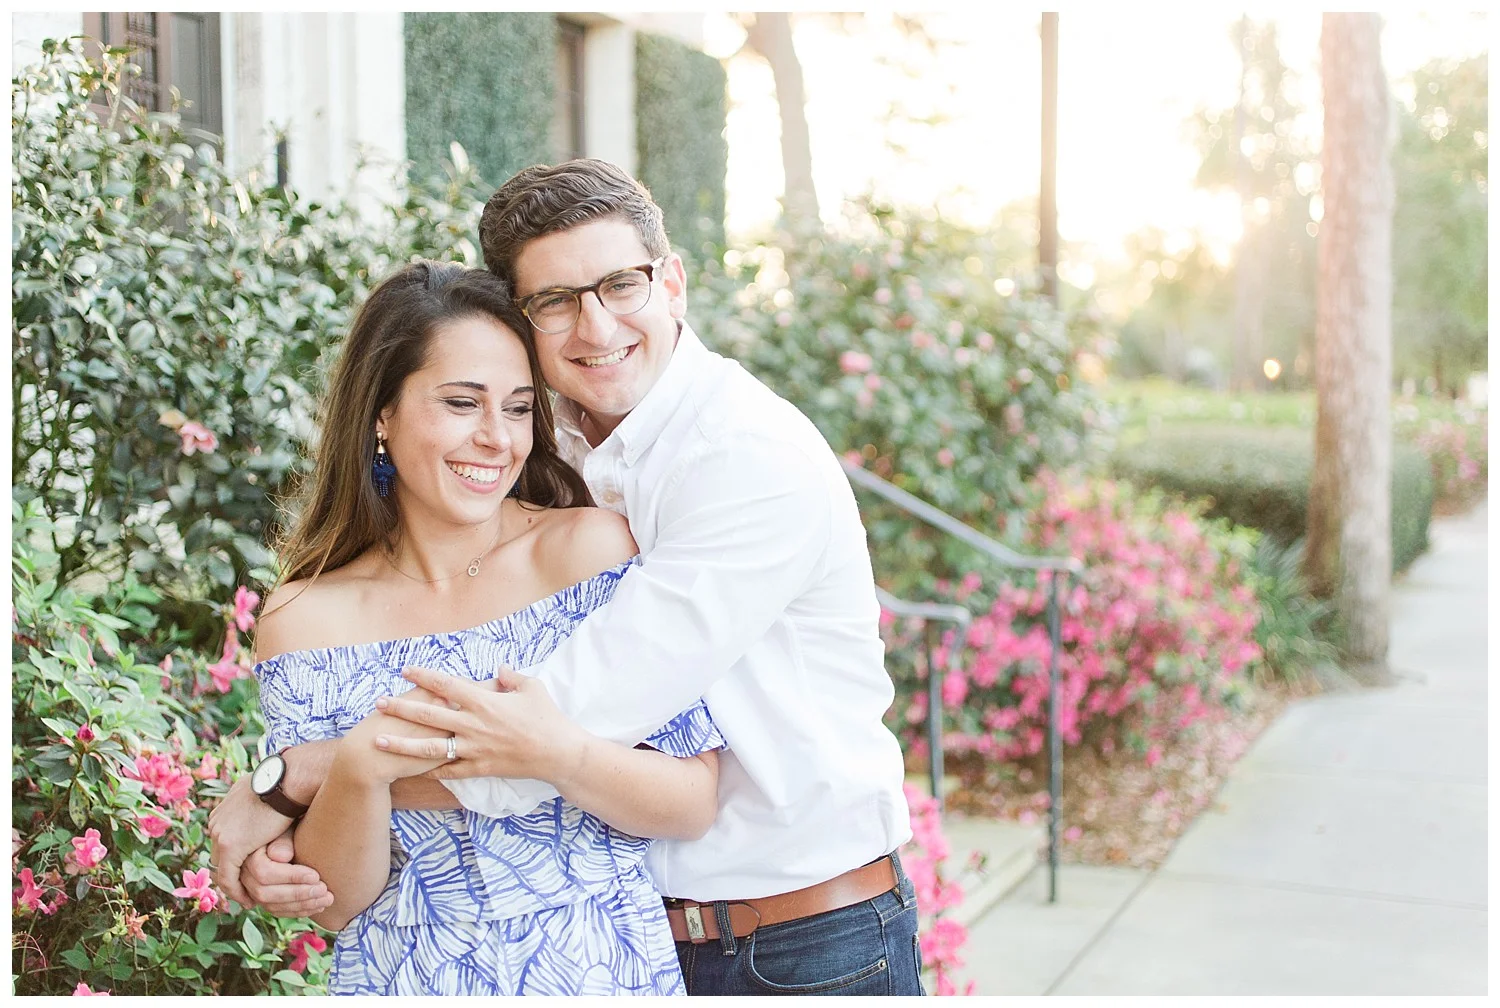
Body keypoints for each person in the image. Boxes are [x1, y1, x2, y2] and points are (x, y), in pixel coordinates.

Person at [213, 160, 923, 996]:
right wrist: (318, 813)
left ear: (674, 284)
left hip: (801, 936)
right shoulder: (584, 452)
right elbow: (345, 888)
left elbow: (562, 720)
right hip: (662, 943)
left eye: (621, 284)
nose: (595, 326)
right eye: (555, 301)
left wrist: (306, 776)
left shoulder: (742, 461)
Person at [241, 259, 723, 995]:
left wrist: (544, 753)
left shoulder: (591, 554)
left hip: (602, 971)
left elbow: (689, 800)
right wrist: (360, 769)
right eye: (463, 403)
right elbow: (335, 901)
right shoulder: (304, 619)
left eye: (520, 407)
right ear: (383, 412)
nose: (498, 439)